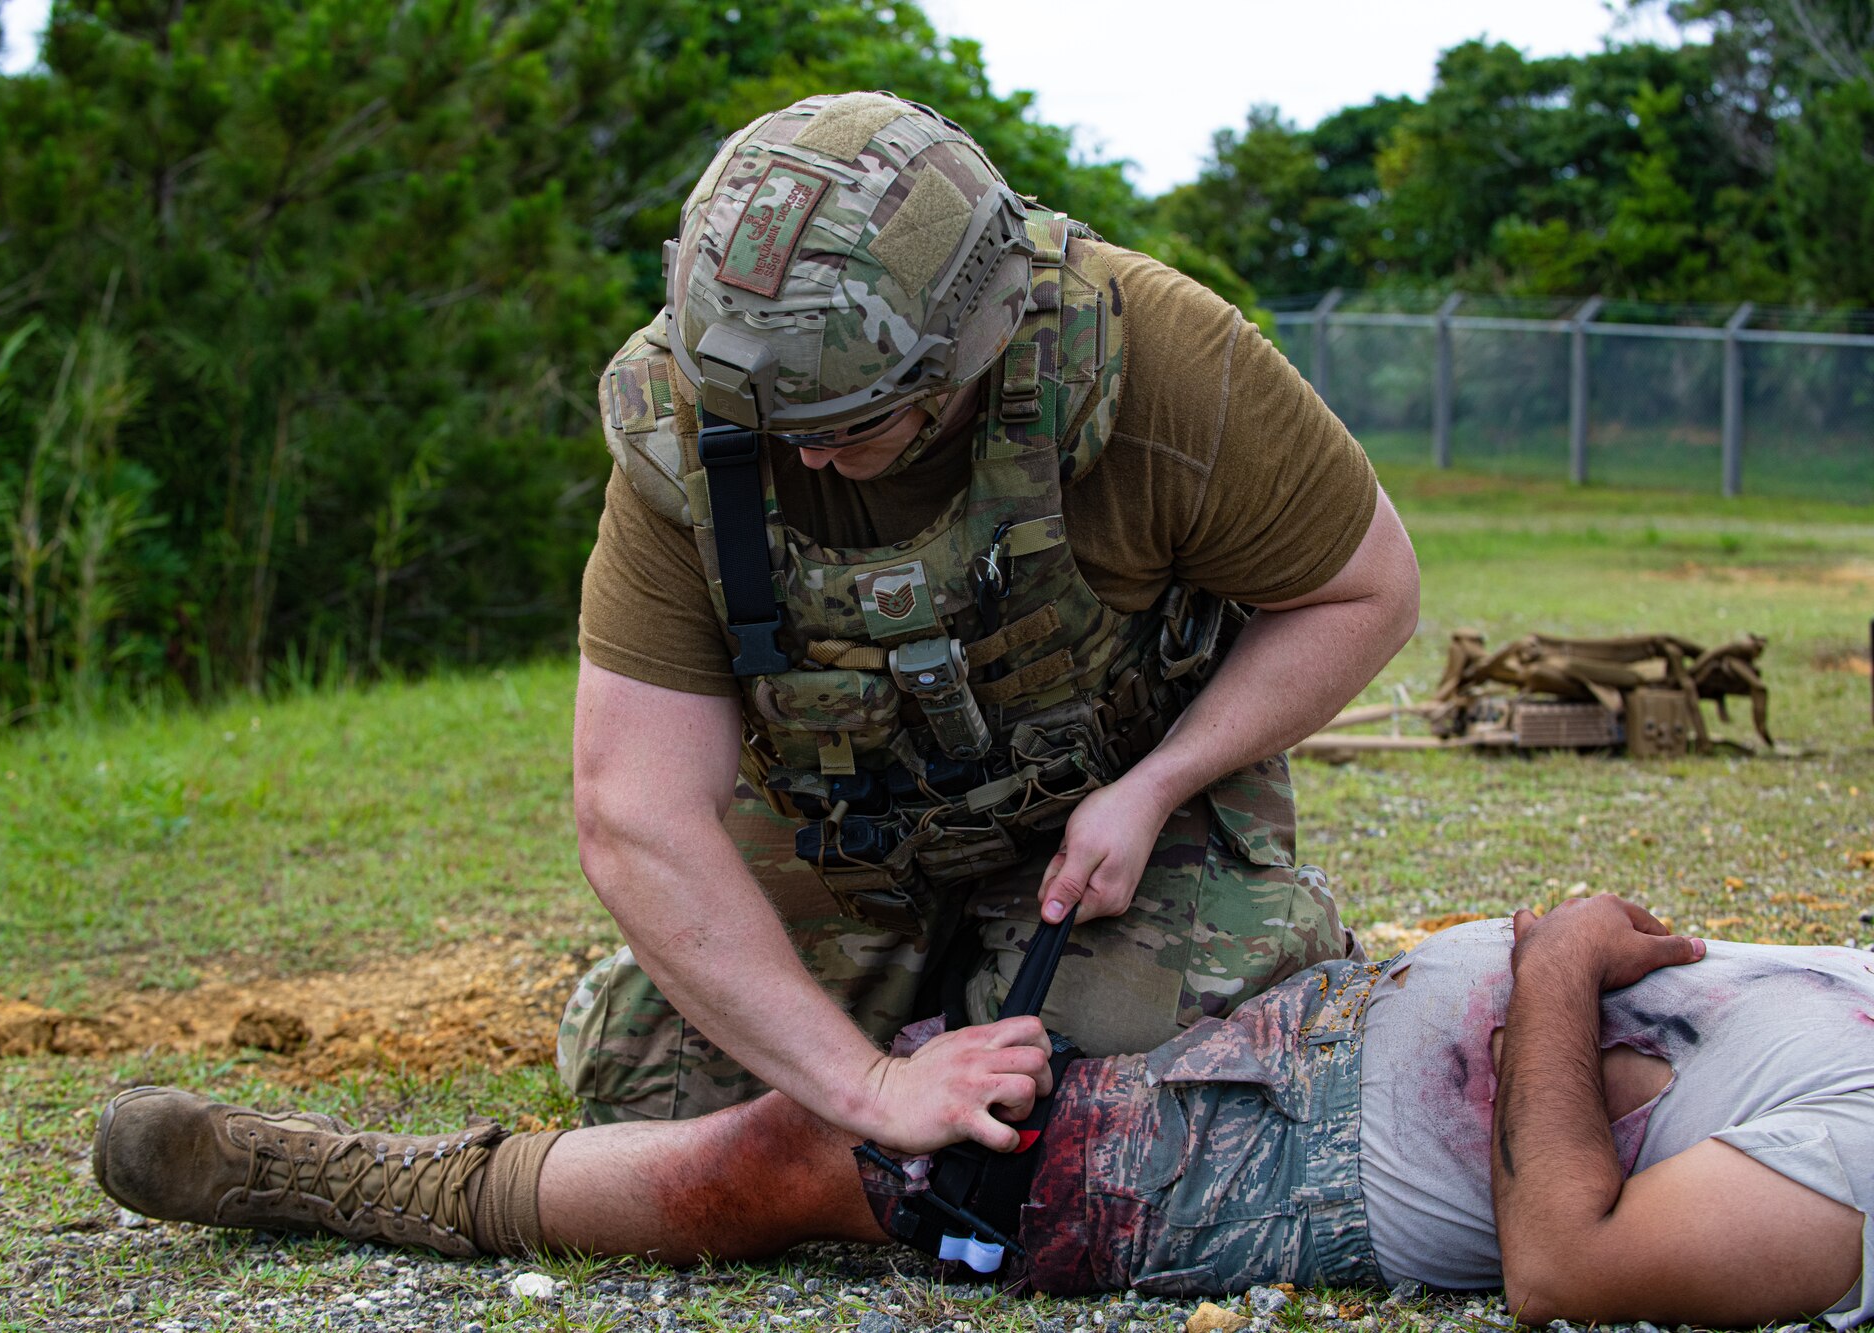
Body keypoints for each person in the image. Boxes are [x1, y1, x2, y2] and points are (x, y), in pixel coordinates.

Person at [560, 88, 1421, 1151]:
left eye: (850, 424)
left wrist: (1156, 786)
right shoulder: (692, 428)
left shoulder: (1158, 357)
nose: (804, 458)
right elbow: (632, 805)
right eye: (766, 426)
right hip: (846, 823)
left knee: (1094, 1096)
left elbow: (1368, 588)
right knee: (665, 1091)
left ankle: (1264, 938)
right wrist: (868, 1088)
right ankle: (912, 984)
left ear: (968, 348)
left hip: (1114, 807)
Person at [95, 894, 1874, 1329]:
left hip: (1290, 1148)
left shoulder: (1858, 1191)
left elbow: (1573, 1258)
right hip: (1332, 990)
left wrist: (1557, 966)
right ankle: (657, 1043)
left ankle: (355, 1183)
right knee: (968, 942)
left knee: (803, 1164)